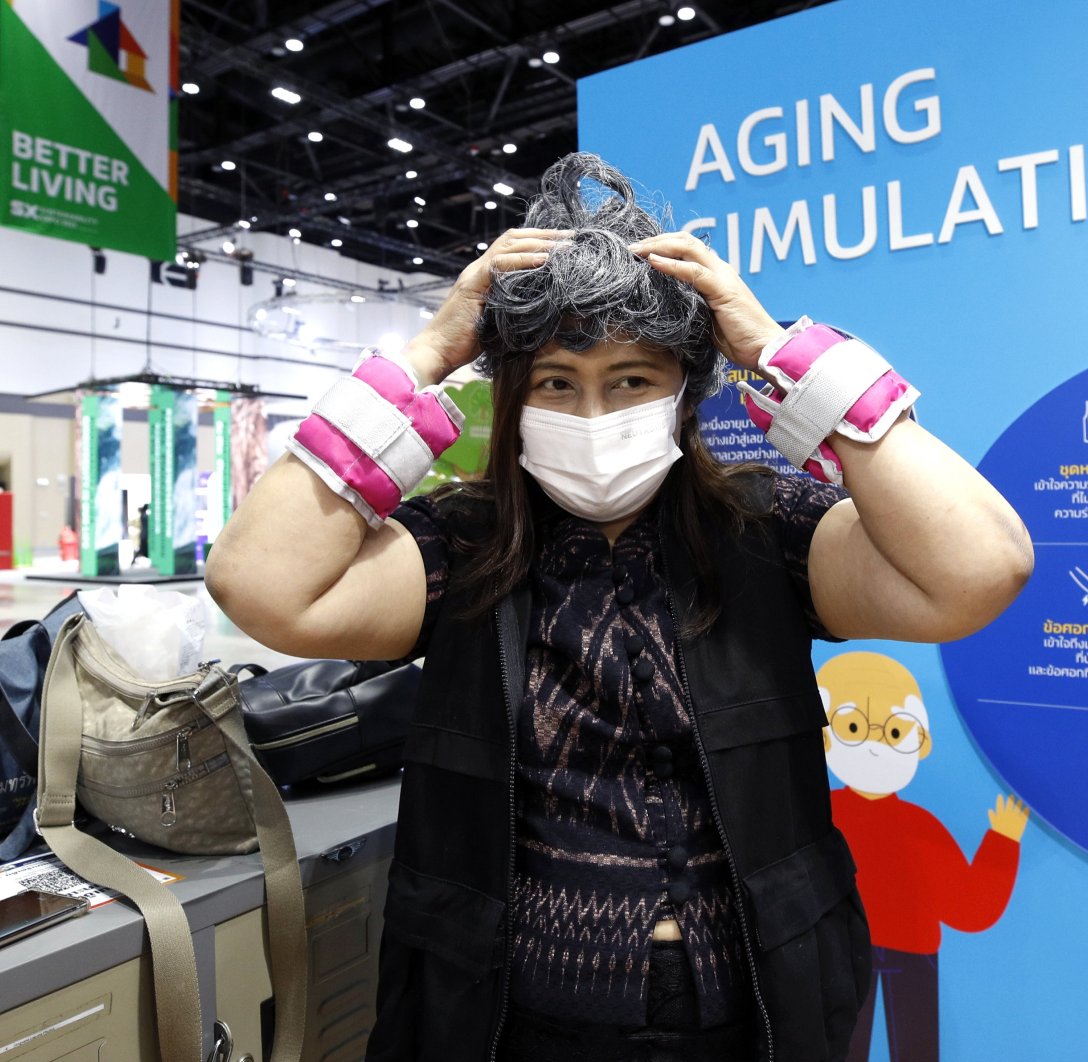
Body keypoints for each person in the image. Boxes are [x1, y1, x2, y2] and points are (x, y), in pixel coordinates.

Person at [204, 153, 1033, 1062]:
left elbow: (981, 567)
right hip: (503, 1018)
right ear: (516, 400)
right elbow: (259, 583)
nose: (593, 414)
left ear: (682, 394)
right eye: (557, 383)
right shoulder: (464, 542)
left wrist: (779, 352)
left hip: (759, 1006)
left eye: (631, 380)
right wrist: (428, 355)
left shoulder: (767, 530)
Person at [818, 651, 1027, 1062]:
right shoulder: (819, 813)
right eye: (854, 726)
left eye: (894, 732)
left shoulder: (918, 827)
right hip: (848, 950)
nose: (875, 745)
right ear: (824, 734)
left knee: (906, 1049)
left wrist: (1002, 843)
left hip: (900, 953)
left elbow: (968, 907)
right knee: (840, 1047)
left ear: (921, 743)